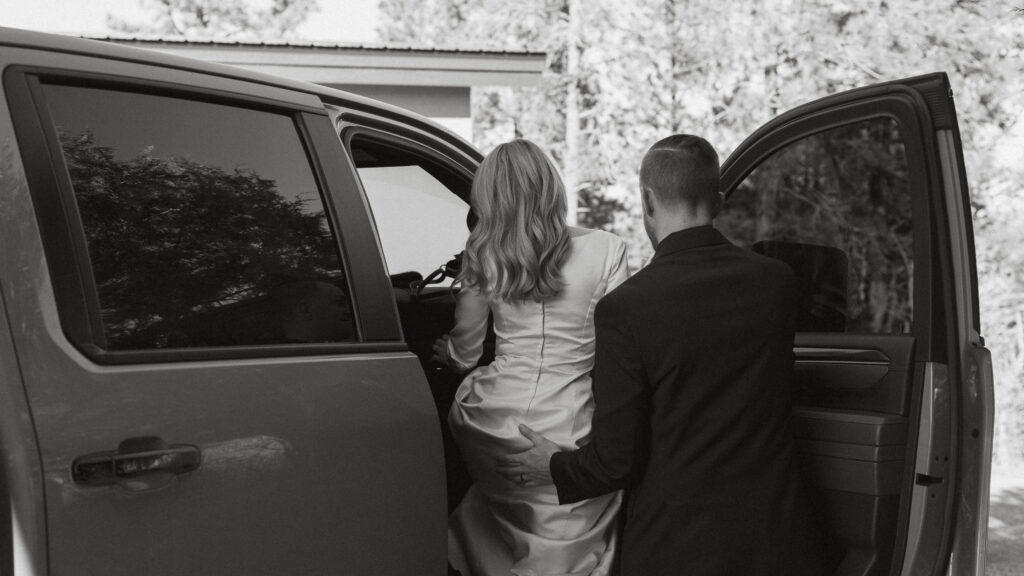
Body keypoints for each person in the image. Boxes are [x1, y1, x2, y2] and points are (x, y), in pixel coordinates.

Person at [497, 135, 826, 575]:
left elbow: (615, 462)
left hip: (678, 550)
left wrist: (554, 467)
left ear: (647, 201)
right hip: (777, 540)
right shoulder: (777, 282)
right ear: (719, 201)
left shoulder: (628, 308)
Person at [432, 139, 629, 576]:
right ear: (551, 186)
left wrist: (448, 352)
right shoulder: (608, 248)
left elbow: (465, 354)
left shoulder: (481, 253)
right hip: (569, 424)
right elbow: (620, 350)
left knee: (497, 534)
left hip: (494, 422)